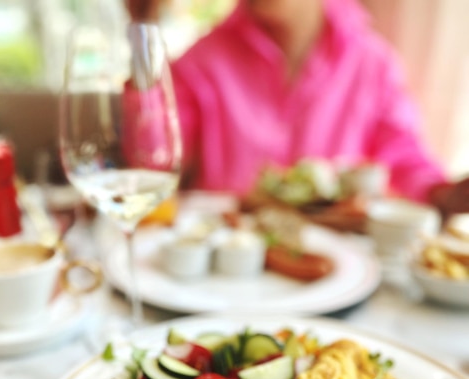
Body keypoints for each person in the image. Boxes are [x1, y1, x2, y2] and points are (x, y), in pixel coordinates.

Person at [125, 0, 469, 219]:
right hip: (228, 267)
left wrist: (446, 196)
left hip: (337, 270)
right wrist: (142, 30)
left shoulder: (372, 63)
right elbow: (150, 165)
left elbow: (407, 158)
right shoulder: (200, 62)